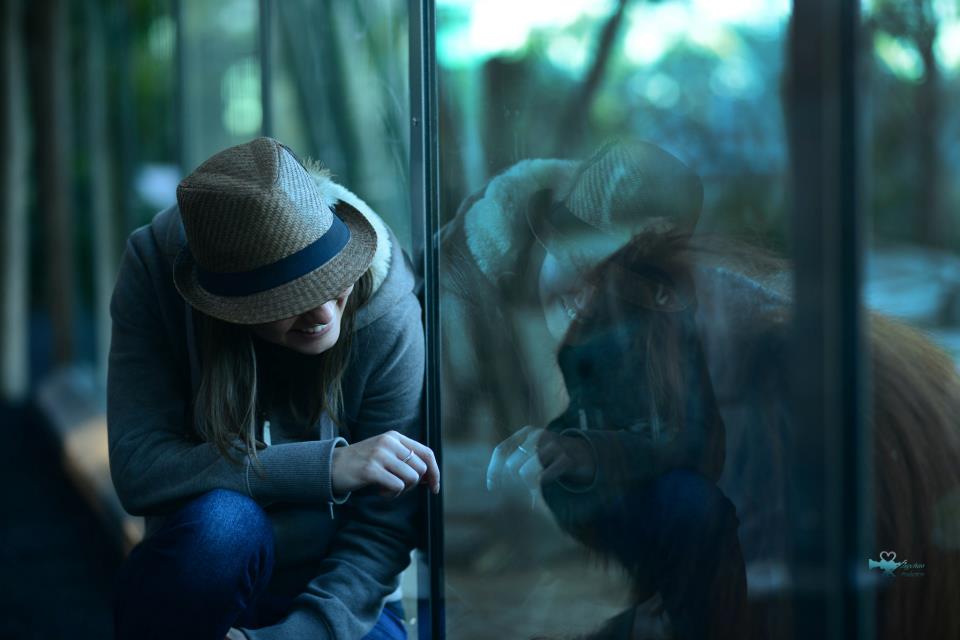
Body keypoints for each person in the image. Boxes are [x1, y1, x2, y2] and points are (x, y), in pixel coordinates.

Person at [107, 137, 439, 640]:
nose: (323, 313)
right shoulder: (155, 267)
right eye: (290, 298)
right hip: (205, 576)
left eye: (332, 277)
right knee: (224, 526)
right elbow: (140, 469)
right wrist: (326, 467)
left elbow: (383, 528)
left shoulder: (388, 312)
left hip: (342, 601)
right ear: (225, 308)